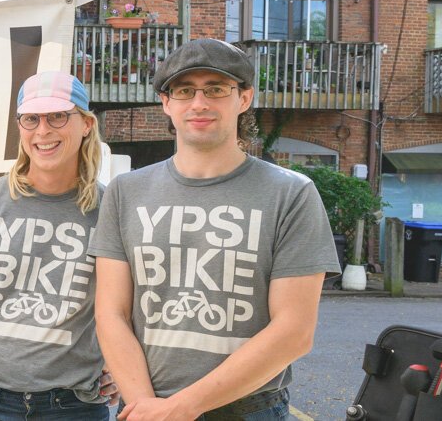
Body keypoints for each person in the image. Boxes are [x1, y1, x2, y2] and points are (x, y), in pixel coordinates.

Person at [91, 38, 339, 421]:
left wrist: (181, 408)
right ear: (166, 102)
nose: (199, 103)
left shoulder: (291, 194)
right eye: (184, 90)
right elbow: (111, 313)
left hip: (247, 410)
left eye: (216, 89)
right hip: (145, 406)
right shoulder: (127, 191)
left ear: (243, 98)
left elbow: (294, 330)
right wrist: (146, 405)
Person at [0, 72, 113, 421]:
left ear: (86, 124)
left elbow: (125, 313)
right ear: (20, 126)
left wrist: (121, 370)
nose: (43, 130)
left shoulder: (111, 211)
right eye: (32, 118)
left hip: (74, 407)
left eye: (58, 116)